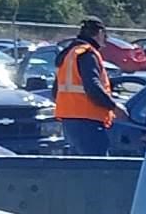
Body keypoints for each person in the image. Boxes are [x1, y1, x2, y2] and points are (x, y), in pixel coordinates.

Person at [52, 18, 126, 155]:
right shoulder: (87, 54)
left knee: (80, 170)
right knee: (97, 169)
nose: (106, 39)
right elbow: (93, 87)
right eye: (105, 34)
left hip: (69, 122)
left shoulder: (69, 54)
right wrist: (114, 106)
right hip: (88, 122)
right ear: (99, 33)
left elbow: (55, 91)